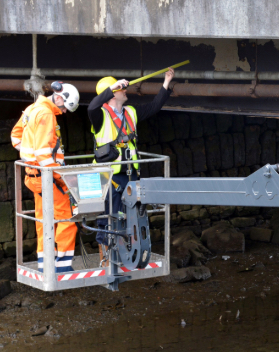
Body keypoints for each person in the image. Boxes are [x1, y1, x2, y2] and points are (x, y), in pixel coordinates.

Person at [88, 69, 175, 265]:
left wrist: (166, 82)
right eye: (121, 89)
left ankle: (127, 253)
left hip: (130, 173)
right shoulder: (100, 115)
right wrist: (112, 87)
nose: (125, 91)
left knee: (131, 214)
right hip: (108, 175)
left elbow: (154, 107)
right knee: (107, 216)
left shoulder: (131, 112)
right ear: (111, 94)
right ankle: (106, 258)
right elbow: (91, 107)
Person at [11, 81, 80, 273]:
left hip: (33, 176)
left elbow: (16, 137)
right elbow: (43, 155)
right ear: (59, 98)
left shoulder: (32, 109)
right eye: (65, 107)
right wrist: (63, 177)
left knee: (43, 219)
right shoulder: (47, 114)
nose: (65, 112)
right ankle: (63, 266)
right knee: (66, 216)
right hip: (46, 176)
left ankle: (44, 262)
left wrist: (29, 156)